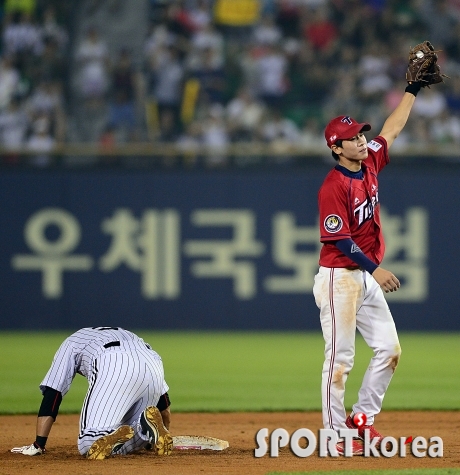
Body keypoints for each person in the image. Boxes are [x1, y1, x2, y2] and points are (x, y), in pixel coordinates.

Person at [313, 77, 429, 455]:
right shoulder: (334, 185)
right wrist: (376, 269)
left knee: (389, 349)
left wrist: (412, 89)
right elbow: (338, 239)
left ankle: (361, 420)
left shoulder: (370, 161)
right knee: (341, 358)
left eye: (362, 134)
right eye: (353, 137)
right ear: (337, 147)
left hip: (363, 277)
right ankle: (334, 434)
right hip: (339, 279)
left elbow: (391, 129)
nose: (362, 140)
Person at [11, 327, 172, 459]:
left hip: (113, 360)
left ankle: (105, 436)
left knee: (88, 444)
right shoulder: (123, 334)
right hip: (152, 360)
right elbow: (163, 404)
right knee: (136, 437)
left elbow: (54, 392)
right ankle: (147, 432)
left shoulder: (71, 343)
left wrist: (39, 444)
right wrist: (167, 428)